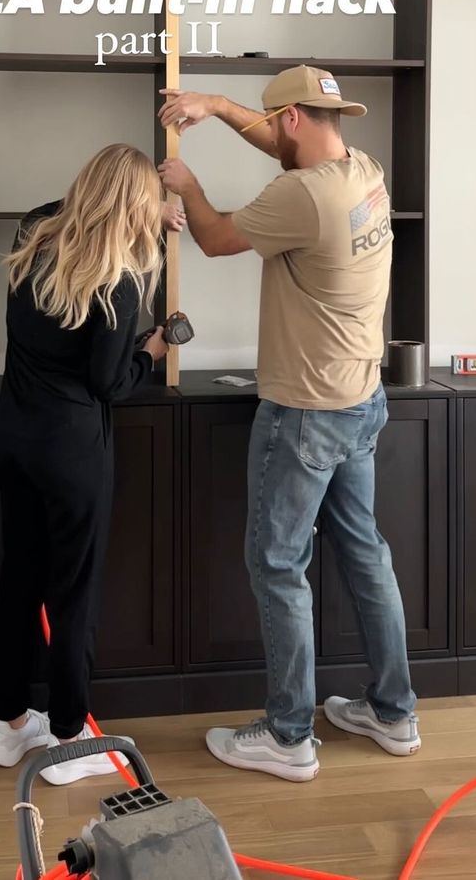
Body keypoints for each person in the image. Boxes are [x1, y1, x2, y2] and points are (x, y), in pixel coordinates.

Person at [158, 65, 419, 783]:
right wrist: (214, 104)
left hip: (306, 409)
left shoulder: (300, 196)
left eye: (276, 124)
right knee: (366, 551)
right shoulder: (363, 169)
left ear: (295, 120)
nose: (269, 133)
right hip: (361, 398)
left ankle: (288, 733)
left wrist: (188, 186)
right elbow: (279, 143)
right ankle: (394, 712)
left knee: (277, 563)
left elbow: (212, 238)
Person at [0, 144, 178, 783]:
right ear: (132, 208)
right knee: (73, 596)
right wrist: (149, 351)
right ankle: (69, 740)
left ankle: (11, 727)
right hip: (71, 455)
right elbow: (109, 383)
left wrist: (149, 218)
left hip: (13, 442)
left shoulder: (33, 232)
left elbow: (74, 213)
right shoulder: (117, 282)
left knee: (19, 582)